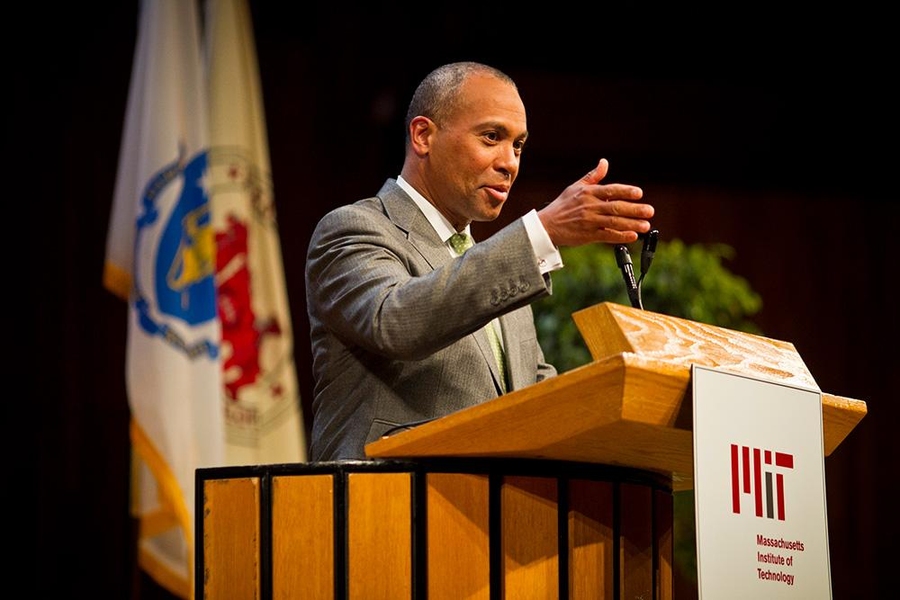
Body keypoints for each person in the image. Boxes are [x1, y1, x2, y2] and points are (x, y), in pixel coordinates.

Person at [305, 61, 655, 461]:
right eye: (491, 137)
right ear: (423, 136)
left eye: (518, 145)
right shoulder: (353, 229)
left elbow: (538, 401)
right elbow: (397, 321)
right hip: (386, 507)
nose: (510, 163)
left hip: (493, 512)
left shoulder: (501, 268)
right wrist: (541, 232)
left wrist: (635, 398)